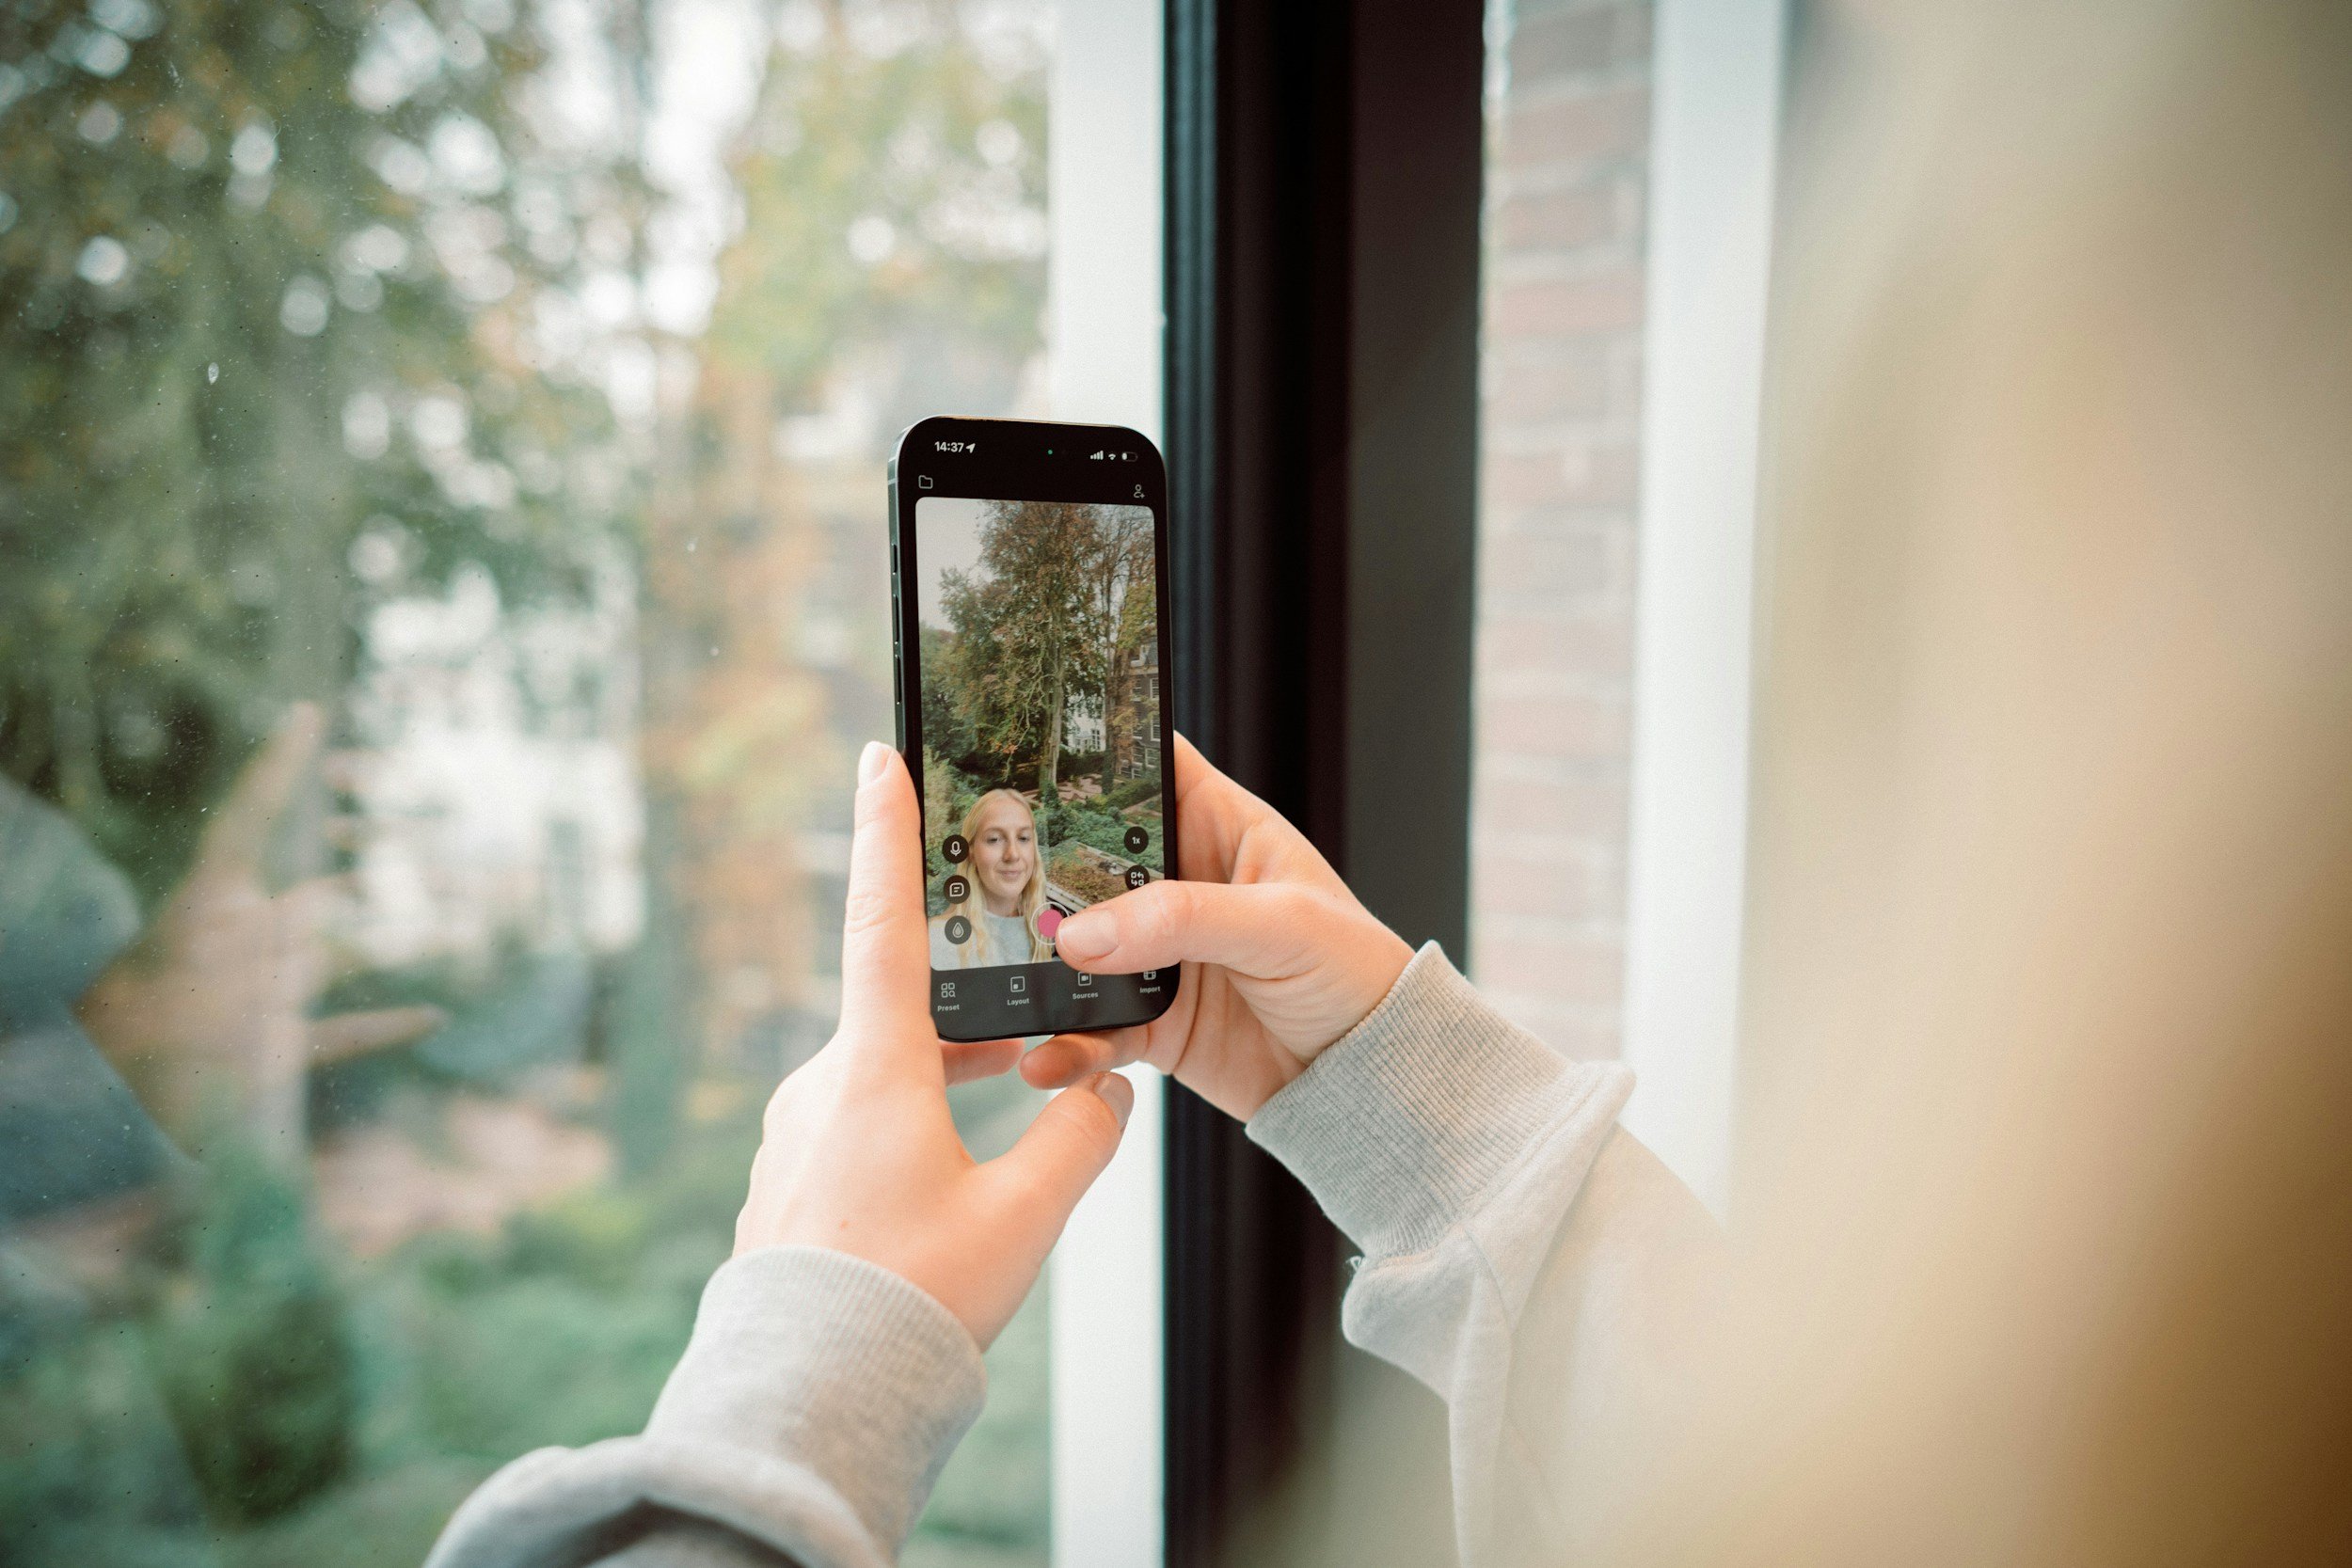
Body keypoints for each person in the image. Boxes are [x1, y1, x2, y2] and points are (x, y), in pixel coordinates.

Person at [426, 735, 1711, 1568]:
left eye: (1016, 837)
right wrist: (1409, 1096)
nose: (1004, 854)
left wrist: (811, 1349)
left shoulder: (1062, 910)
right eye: (986, 839)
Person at [926, 788, 1055, 969]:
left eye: (1023, 838)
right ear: (970, 852)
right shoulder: (936, 939)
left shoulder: (1047, 933)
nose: (1013, 854)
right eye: (994, 839)